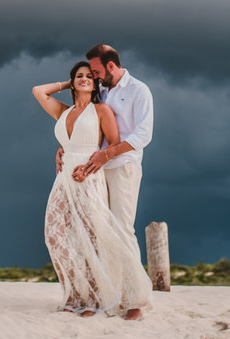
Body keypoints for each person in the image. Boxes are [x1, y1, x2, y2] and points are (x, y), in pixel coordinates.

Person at [33, 62, 152, 320]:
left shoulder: (101, 110)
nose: (84, 79)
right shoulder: (63, 112)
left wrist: (90, 166)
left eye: (89, 76)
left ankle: (94, 299)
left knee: (91, 239)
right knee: (55, 236)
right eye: (79, 76)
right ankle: (75, 294)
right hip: (63, 178)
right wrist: (70, 83)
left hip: (88, 175)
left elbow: (113, 144)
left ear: (96, 83)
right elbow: (38, 91)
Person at [56, 45, 154, 241]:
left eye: (96, 72)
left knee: (122, 229)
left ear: (110, 66)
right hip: (94, 169)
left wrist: (108, 154)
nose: (94, 77)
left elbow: (144, 134)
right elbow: (87, 123)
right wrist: (65, 147)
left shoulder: (138, 90)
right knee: (98, 228)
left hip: (123, 165)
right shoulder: (100, 90)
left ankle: (127, 264)